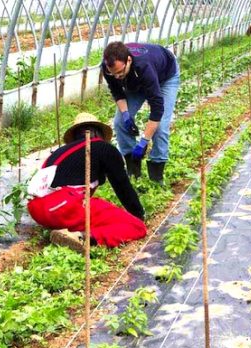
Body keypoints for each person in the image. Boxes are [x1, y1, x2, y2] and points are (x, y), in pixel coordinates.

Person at [27, 112, 147, 252]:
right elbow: (122, 186)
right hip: (64, 206)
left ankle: (67, 231)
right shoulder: (103, 148)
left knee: (96, 216)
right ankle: (80, 236)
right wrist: (138, 215)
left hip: (37, 210)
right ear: (100, 133)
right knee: (136, 227)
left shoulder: (59, 152)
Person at [102, 41, 180, 184]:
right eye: (114, 74)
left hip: (165, 78)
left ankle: (156, 175)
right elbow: (117, 92)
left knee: (161, 127)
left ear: (129, 60)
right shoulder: (108, 68)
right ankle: (133, 169)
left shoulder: (144, 66)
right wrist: (126, 115)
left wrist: (144, 141)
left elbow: (157, 108)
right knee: (119, 123)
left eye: (120, 72)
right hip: (135, 82)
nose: (117, 77)